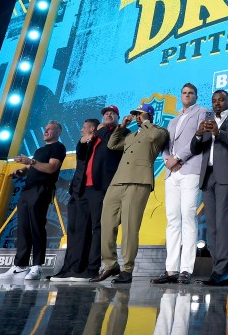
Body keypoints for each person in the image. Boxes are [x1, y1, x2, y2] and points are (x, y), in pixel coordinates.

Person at [91, 103, 168, 284]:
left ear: (149, 115)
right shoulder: (130, 135)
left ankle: (127, 269)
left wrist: (147, 122)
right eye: (136, 114)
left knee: (130, 227)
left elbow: (156, 137)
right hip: (117, 182)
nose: (137, 117)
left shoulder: (158, 131)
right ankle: (110, 264)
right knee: (107, 224)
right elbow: (112, 144)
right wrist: (122, 126)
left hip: (138, 182)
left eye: (141, 114)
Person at [154, 83, 211, 285]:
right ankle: (171, 269)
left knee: (188, 216)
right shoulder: (173, 120)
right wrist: (168, 160)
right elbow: (166, 145)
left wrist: (177, 157)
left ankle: (186, 269)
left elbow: (200, 139)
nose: (187, 95)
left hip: (190, 169)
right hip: (172, 173)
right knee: (172, 219)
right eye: (184, 93)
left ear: (196, 96)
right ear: (181, 96)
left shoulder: (203, 112)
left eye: (190, 93)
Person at [191, 89, 228, 286]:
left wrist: (219, 133)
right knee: (211, 227)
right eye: (214, 100)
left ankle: (222, 271)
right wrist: (198, 134)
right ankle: (217, 270)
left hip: (226, 176)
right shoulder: (207, 122)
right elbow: (194, 149)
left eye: (221, 100)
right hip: (208, 177)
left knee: (223, 224)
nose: (217, 103)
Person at [0, 122, 67, 281]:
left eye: (49, 129)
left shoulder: (59, 147)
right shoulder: (39, 150)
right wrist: (20, 171)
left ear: (58, 132)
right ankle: (20, 266)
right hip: (28, 190)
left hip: (42, 189)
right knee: (23, 228)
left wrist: (31, 162)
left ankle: (37, 266)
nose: (46, 131)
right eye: (45, 129)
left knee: (37, 226)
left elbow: (51, 168)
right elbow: (29, 169)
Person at [52, 122, 101, 282]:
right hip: (78, 189)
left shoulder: (100, 142)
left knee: (90, 230)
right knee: (74, 230)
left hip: (95, 189)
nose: (81, 129)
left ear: (92, 129)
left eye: (84, 127)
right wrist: (82, 141)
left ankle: (85, 269)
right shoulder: (83, 143)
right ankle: (69, 268)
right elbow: (81, 158)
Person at [85, 106, 125, 278]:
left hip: (106, 185)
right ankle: (82, 266)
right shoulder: (96, 135)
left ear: (118, 117)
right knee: (87, 227)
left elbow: (111, 145)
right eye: (105, 113)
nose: (108, 114)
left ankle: (95, 267)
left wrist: (100, 130)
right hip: (88, 185)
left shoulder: (121, 132)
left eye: (112, 113)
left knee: (101, 227)